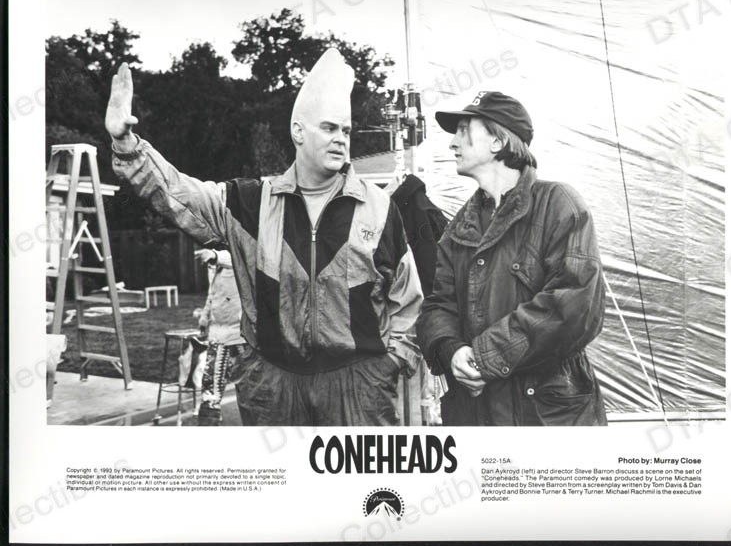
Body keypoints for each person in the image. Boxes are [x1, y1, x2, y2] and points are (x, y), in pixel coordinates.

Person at [106, 49, 423, 426]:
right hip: (273, 388)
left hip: (357, 389)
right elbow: (180, 194)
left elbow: (407, 296)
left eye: (346, 131)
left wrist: (390, 363)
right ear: (298, 132)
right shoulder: (251, 203)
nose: (341, 139)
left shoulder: (379, 207)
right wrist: (129, 147)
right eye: (329, 128)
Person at [417, 91, 608, 426]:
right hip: (477, 413)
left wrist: (485, 356)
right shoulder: (459, 227)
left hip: (546, 418)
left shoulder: (558, 204)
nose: (452, 143)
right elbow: (437, 306)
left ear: (497, 141)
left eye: (463, 130)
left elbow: (575, 305)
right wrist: (452, 350)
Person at [192, 247, 244, 426]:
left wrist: (215, 255)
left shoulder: (237, 254)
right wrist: (204, 317)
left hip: (240, 332)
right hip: (219, 333)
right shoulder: (215, 266)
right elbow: (212, 293)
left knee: (250, 383)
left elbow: (237, 258)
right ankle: (209, 423)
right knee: (211, 386)